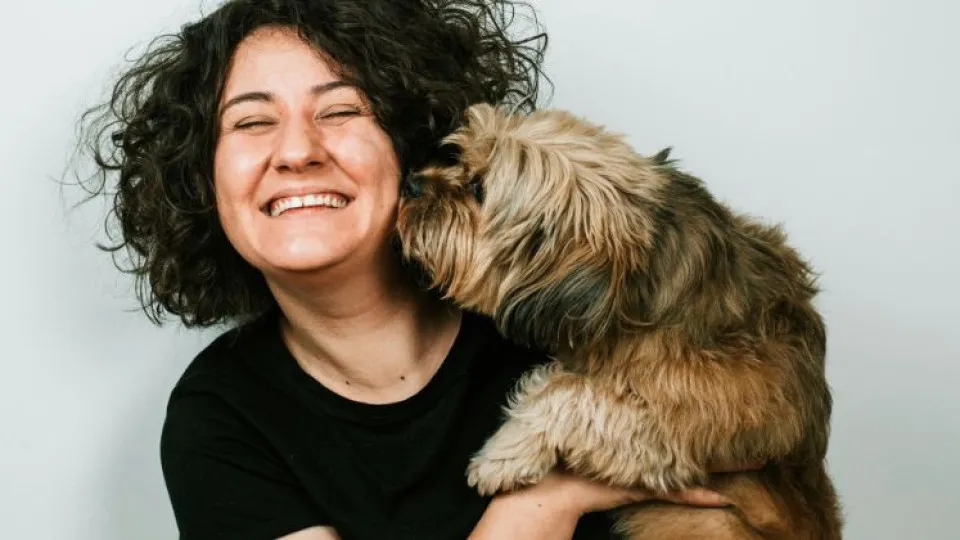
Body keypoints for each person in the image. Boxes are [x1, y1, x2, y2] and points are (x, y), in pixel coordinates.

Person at [80, 0, 759, 538]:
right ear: (202, 180)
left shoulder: (564, 305)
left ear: (410, 143)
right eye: (252, 123)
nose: (297, 150)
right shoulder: (219, 419)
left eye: (341, 110)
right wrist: (545, 502)